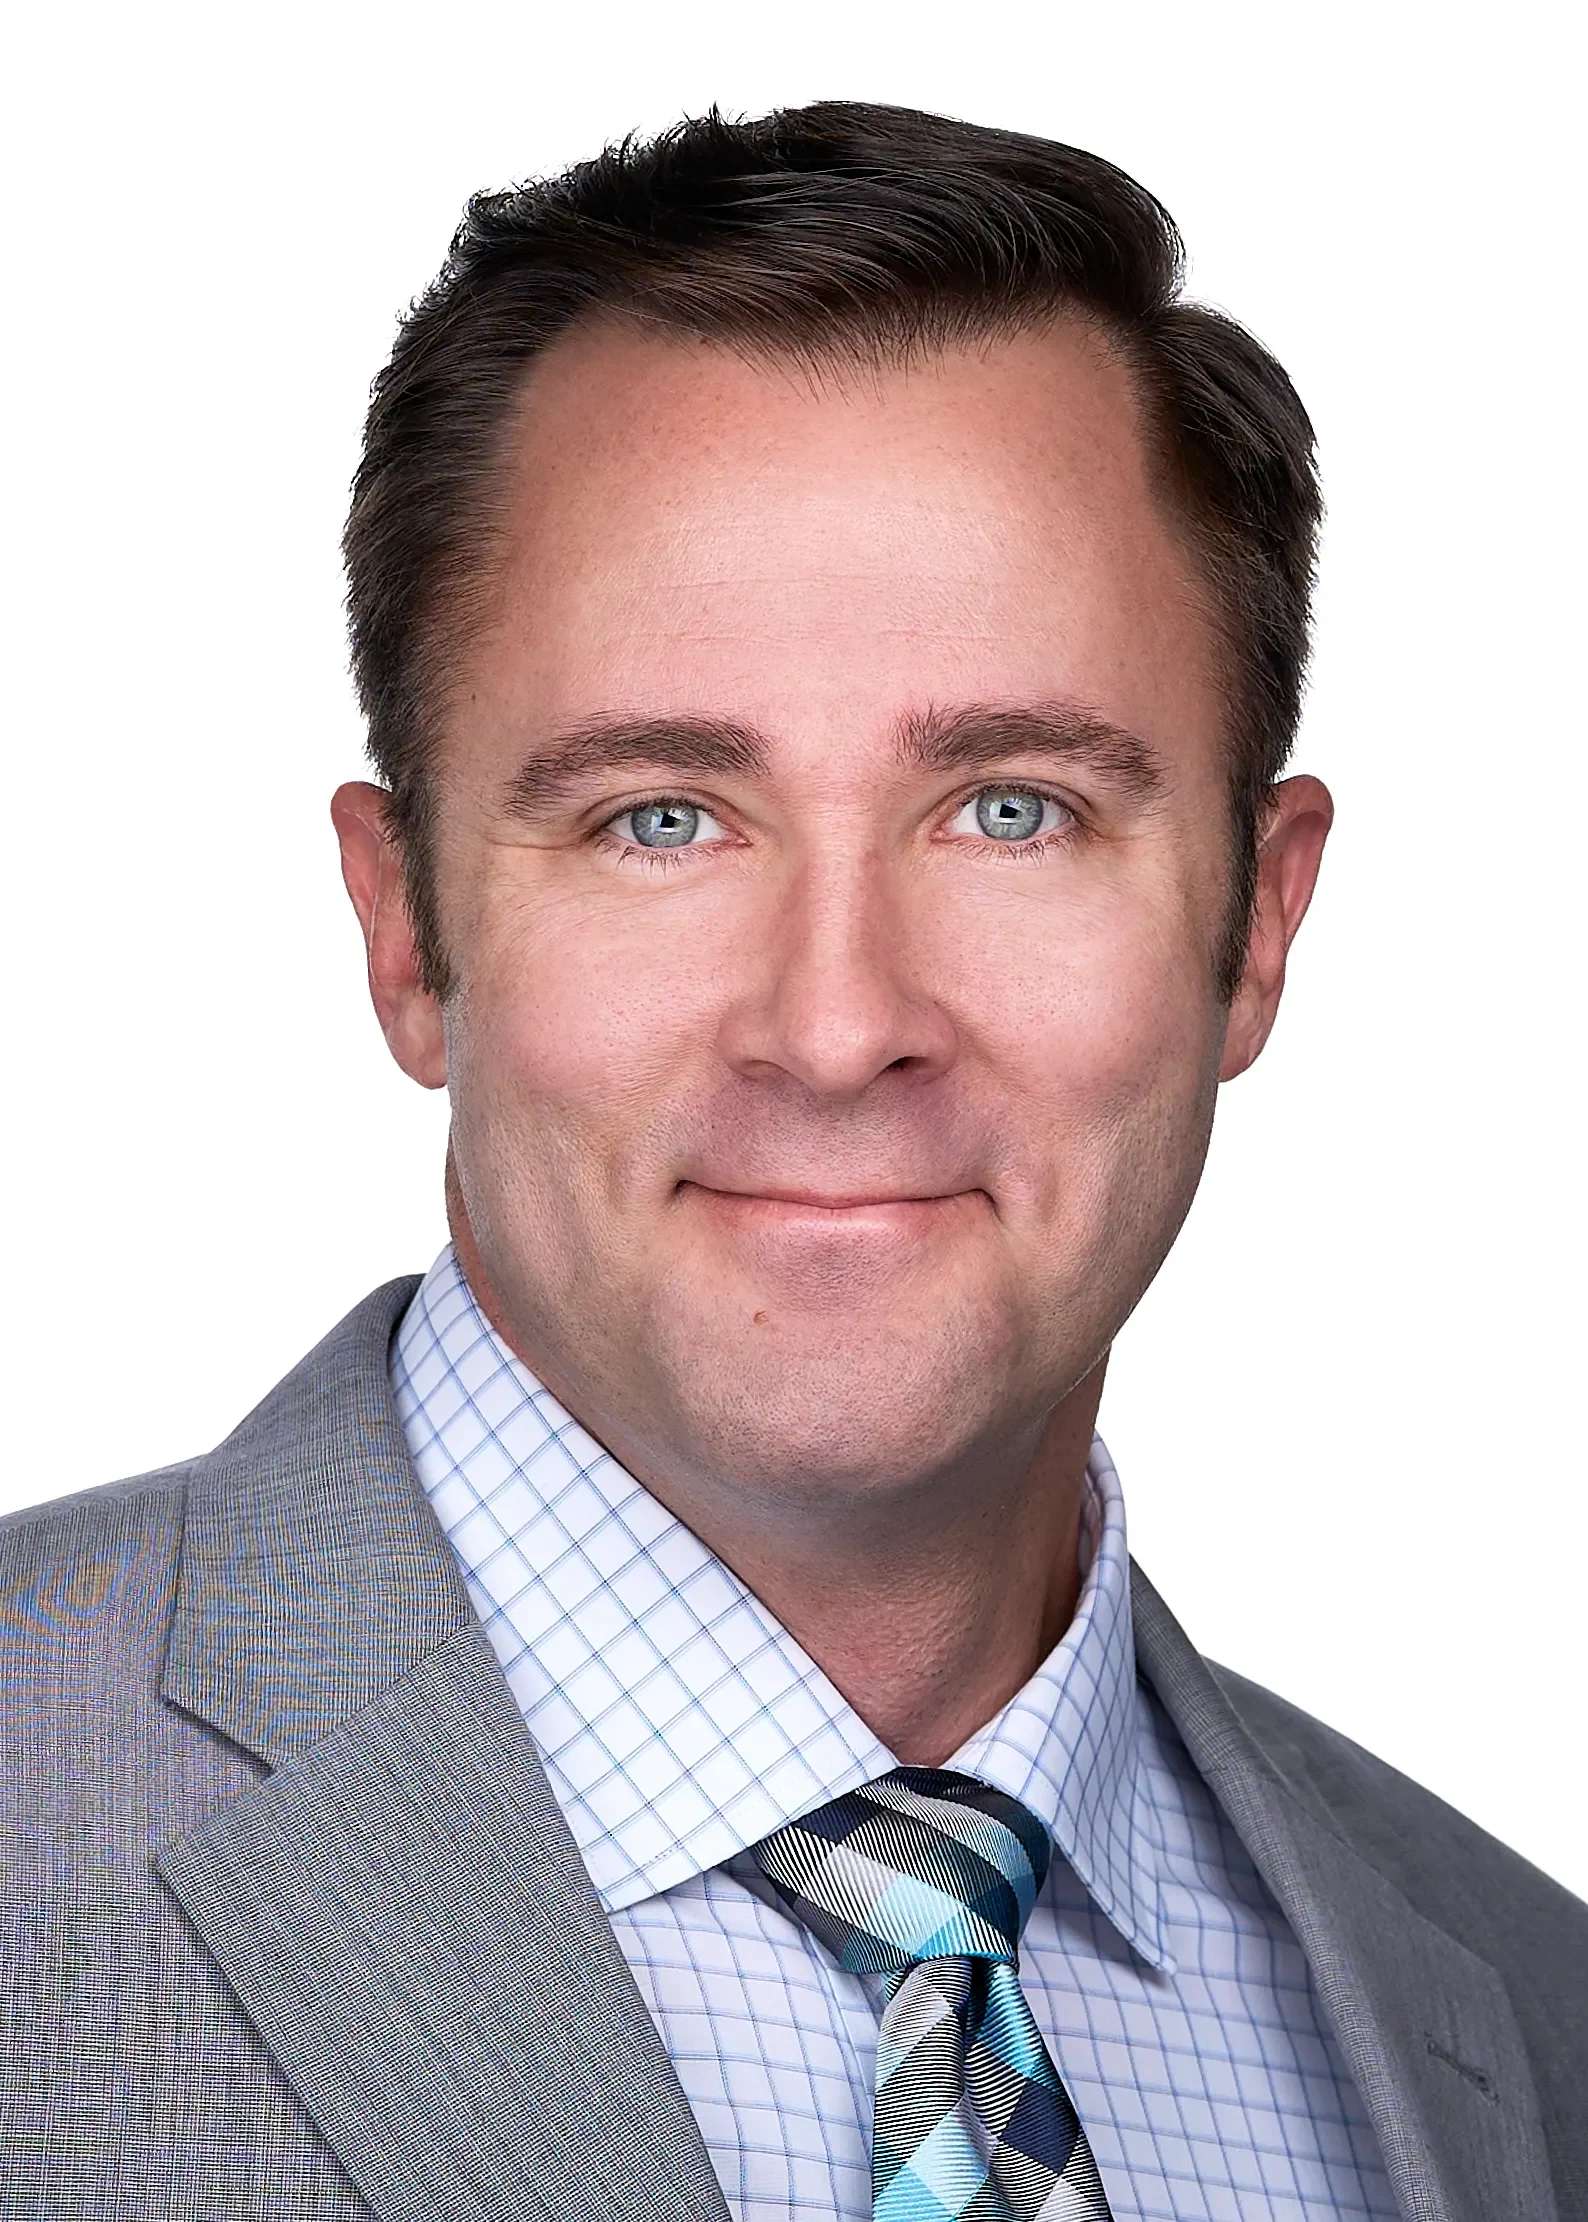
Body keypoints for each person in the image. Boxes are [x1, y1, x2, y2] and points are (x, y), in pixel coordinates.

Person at [1, 99, 1581, 2222]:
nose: (837, 1025)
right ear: (406, 934)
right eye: (660, 814)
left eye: (1011, 806)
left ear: (1254, 924)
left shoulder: (1519, 2014)